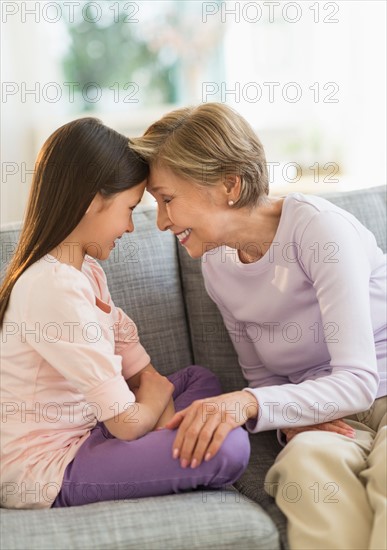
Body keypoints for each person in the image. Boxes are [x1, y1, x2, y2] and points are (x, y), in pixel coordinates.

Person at [128, 102, 387, 550]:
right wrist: (290, 424)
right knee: (304, 468)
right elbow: (265, 378)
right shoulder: (217, 266)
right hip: (323, 415)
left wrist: (244, 405)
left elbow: (359, 380)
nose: (162, 221)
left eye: (167, 199)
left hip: (376, 391)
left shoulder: (318, 230)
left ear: (230, 184)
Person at [0, 117, 250, 510]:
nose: (132, 227)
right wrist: (150, 408)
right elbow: (125, 422)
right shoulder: (52, 287)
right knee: (230, 446)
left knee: (198, 379)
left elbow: (143, 372)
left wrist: (154, 400)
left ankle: (166, 442)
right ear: (91, 200)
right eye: (130, 208)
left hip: (94, 429)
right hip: (48, 468)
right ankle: (170, 445)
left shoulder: (86, 271)